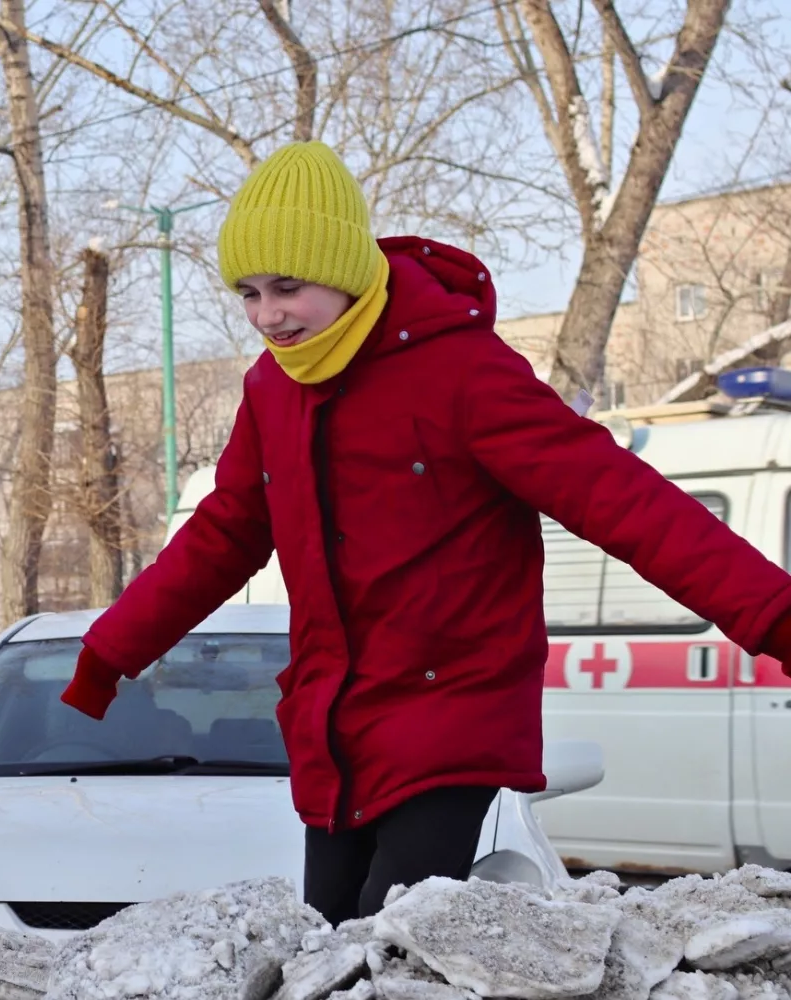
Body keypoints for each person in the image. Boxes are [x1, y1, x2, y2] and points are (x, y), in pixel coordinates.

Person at [59, 141, 791, 926]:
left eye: (287, 288)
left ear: (341, 271)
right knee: (330, 940)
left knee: (394, 937)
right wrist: (111, 650)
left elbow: (623, 501)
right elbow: (224, 532)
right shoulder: (273, 388)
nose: (267, 315)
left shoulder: (461, 372)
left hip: (452, 712)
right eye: (248, 293)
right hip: (334, 722)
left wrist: (773, 615)